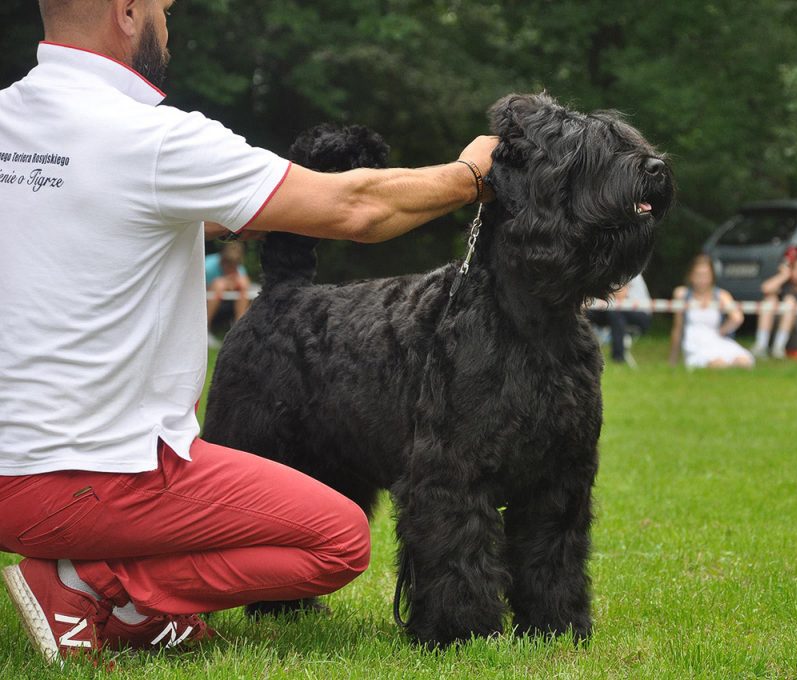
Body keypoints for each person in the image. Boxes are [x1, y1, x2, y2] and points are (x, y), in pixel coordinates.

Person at [0, 0, 497, 663]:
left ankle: (121, 601)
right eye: (161, 8)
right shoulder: (153, 140)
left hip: (13, 479)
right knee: (339, 540)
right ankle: (91, 583)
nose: (168, 22)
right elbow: (359, 208)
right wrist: (469, 176)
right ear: (126, 12)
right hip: (96, 476)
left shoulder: (11, 120)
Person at [669, 255, 753, 368]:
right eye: (698, 275)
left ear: (712, 276)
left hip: (717, 339)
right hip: (695, 343)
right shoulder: (682, 294)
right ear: (691, 276)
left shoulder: (721, 295)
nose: (702, 280)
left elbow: (737, 318)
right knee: (718, 364)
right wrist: (673, 359)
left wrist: (722, 331)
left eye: (705, 275)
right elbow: (678, 327)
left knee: (743, 361)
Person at [586, 274, 652, 364]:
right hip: (616, 309)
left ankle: (618, 357)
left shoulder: (629, 271)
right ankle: (585, 351)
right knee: (588, 313)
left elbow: (619, 296)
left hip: (641, 314)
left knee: (615, 313)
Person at [205, 242, 251, 345]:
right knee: (219, 285)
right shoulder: (208, 265)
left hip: (228, 304)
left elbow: (245, 283)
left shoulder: (238, 268)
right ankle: (205, 329)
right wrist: (221, 284)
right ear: (223, 261)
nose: (231, 269)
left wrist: (233, 285)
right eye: (229, 265)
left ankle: (239, 329)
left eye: (234, 266)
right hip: (207, 302)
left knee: (242, 284)